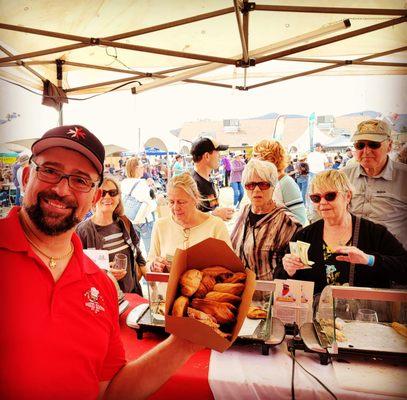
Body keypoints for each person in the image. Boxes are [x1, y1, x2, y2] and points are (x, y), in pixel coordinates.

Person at [0, 125, 201, 400]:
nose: (61, 189)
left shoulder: (101, 285)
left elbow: (109, 391)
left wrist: (184, 344)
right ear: (26, 176)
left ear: (93, 197)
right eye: (49, 170)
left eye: (80, 180)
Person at [276, 170, 407, 294]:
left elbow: (403, 267)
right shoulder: (305, 236)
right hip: (317, 315)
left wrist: (369, 259)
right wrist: (289, 270)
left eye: (330, 196)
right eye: (316, 198)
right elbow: (281, 279)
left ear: (347, 196)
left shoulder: (374, 233)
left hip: (363, 314)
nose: (322, 202)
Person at [231, 158, 301, 280]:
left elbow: (296, 272)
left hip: (269, 296)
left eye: (263, 184)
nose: (256, 190)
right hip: (240, 292)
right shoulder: (243, 211)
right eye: (251, 185)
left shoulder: (289, 223)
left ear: (273, 187)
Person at [343, 119, 407, 250]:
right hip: (350, 257)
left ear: (389, 146)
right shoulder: (343, 175)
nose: (366, 151)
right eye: (360, 145)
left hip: (391, 260)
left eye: (374, 144)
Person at [77, 176, 146, 295]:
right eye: (102, 193)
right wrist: (103, 273)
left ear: (118, 197)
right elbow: (76, 270)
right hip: (101, 300)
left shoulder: (124, 223)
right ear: (94, 197)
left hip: (131, 298)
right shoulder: (82, 231)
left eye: (113, 193)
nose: (107, 197)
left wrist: (153, 285)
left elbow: (138, 255)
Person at [149, 172, 231, 272]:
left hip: (205, 287)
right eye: (171, 202)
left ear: (195, 199)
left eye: (181, 202)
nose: (175, 207)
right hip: (166, 287)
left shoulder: (215, 226)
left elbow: (229, 268)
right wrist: (154, 265)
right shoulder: (160, 226)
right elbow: (150, 261)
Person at [253, 139, 308, 226]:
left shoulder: (286, 183)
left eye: (256, 156)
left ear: (270, 158)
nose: (253, 160)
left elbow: (300, 219)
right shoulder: (264, 182)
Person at [190, 136, 234, 221]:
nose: (219, 157)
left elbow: (207, 208)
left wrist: (220, 211)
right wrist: (214, 214)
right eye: (217, 152)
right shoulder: (192, 183)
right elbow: (188, 216)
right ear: (207, 156)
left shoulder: (207, 179)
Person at [121, 156, 156, 254]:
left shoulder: (123, 182)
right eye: (141, 167)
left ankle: (136, 268)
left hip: (130, 219)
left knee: (134, 250)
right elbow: (152, 205)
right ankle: (149, 268)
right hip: (145, 221)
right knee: (150, 250)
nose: (143, 169)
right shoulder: (142, 183)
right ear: (135, 169)